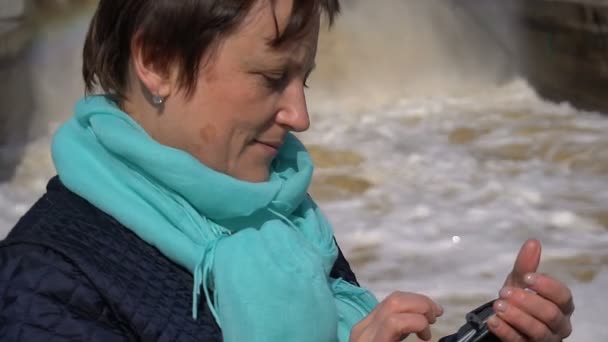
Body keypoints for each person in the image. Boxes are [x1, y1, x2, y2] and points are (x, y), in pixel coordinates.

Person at [0, 0, 574, 341]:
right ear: (156, 62)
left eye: (306, 79)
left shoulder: (282, 213)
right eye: (273, 78)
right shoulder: (45, 281)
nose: (300, 115)